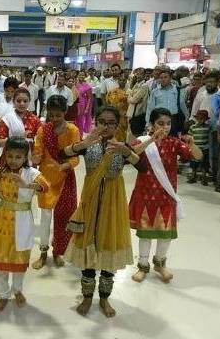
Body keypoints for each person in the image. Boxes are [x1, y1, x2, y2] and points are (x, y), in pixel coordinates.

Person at [61, 106, 143, 317]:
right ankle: (87, 298)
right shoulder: (89, 144)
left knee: (108, 245)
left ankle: (105, 299)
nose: (105, 127)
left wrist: (127, 152)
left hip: (112, 202)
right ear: (95, 123)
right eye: (101, 122)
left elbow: (143, 168)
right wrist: (82, 144)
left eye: (110, 123)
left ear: (117, 126)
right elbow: (62, 154)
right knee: (88, 247)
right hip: (90, 200)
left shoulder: (121, 146)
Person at [129, 108, 202, 283]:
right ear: (152, 125)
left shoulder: (174, 143)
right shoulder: (143, 141)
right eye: (160, 123)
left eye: (168, 123)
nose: (165, 127)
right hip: (145, 194)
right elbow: (131, 154)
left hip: (166, 195)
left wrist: (191, 143)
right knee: (145, 233)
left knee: (166, 234)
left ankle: (160, 264)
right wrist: (151, 140)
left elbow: (198, 157)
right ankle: (142, 265)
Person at [0, 137, 49, 312]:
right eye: (9, 156)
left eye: (18, 157)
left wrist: (27, 185)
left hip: (23, 220)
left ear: (26, 157)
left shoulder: (31, 173)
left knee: (19, 259)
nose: (13, 160)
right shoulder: (2, 171)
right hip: (2, 221)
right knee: (1, 261)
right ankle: (3, 295)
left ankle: (17, 290)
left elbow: (45, 187)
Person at [30, 95, 80, 269]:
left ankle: (58, 252)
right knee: (44, 218)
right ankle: (43, 253)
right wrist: (34, 157)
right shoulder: (43, 130)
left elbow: (76, 159)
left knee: (63, 217)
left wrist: (65, 165)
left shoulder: (73, 130)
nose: (55, 119)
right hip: (46, 180)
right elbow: (37, 155)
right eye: (51, 115)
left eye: (58, 115)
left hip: (66, 179)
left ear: (65, 112)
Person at [0, 88, 42, 168]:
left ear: (29, 101)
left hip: (28, 158)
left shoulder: (35, 120)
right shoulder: (7, 118)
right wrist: (19, 138)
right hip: (10, 158)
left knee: (27, 180)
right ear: (13, 101)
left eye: (25, 101)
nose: (22, 104)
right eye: (18, 101)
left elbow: (41, 139)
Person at [146, 69, 189, 136]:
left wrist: (186, 118)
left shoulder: (176, 90)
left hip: (174, 120)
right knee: (160, 141)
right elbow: (150, 108)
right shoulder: (155, 92)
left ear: (170, 78)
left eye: (165, 77)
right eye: (161, 78)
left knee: (173, 141)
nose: (163, 79)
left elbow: (182, 104)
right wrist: (148, 123)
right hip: (159, 120)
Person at [187, 110, 211, 185]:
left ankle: (204, 178)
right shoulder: (192, 127)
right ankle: (193, 177)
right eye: (200, 119)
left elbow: (210, 137)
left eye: (203, 119)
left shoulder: (208, 127)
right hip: (195, 148)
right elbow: (189, 137)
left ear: (206, 119)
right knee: (194, 164)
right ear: (197, 119)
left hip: (205, 148)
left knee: (204, 164)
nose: (201, 120)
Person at [127, 67, 149, 141]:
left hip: (137, 114)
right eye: (136, 74)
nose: (138, 76)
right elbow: (129, 95)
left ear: (144, 75)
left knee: (135, 135)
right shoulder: (136, 84)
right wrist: (130, 97)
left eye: (140, 74)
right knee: (130, 133)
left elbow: (134, 100)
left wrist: (130, 97)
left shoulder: (144, 86)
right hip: (131, 112)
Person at [106, 77, 129, 142]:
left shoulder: (130, 91)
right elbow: (109, 101)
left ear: (126, 81)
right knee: (116, 130)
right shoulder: (113, 91)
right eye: (120, 80)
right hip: (116, 114)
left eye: (124, 80)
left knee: (125, 131)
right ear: (118, 81)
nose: (122, 81)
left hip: (126, 115)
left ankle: (123, 144)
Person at [75, 71, 94, 136]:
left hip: (82, 105)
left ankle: (80, 135)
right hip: (75, 104)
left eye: (83, 75)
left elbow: (90, 98)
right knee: (75, 120)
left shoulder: (87, 86)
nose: (81, 76)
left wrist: (87, 109)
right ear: (78, 76)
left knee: (80, 121)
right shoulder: (75, 84)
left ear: (85, 76)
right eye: (80, 75)